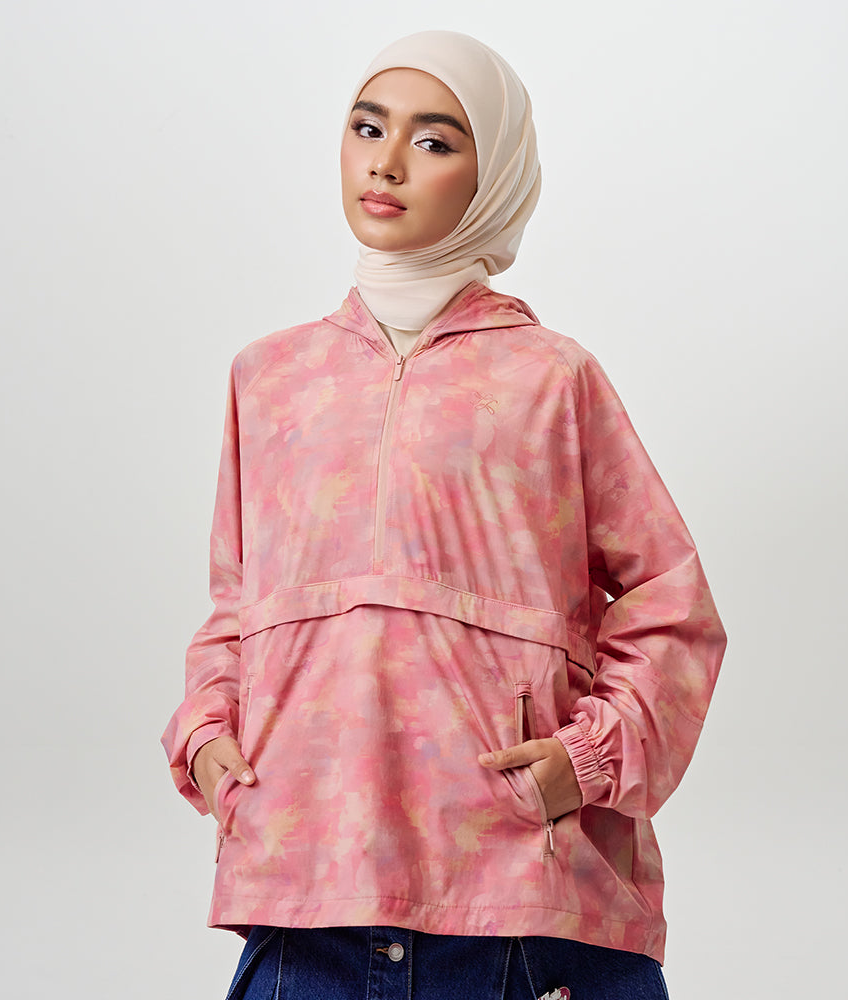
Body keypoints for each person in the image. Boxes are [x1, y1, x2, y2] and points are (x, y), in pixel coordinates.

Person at [162, 30, 726, 1000]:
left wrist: (584, 760)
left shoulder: (552, 378)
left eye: (432, 140)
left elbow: (671, 603)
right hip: (308, 905)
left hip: (523, 912)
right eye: (366, 128)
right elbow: (236, 606)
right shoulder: (271, 378)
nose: (385, 162)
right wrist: (209, 740)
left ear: (492, 175)